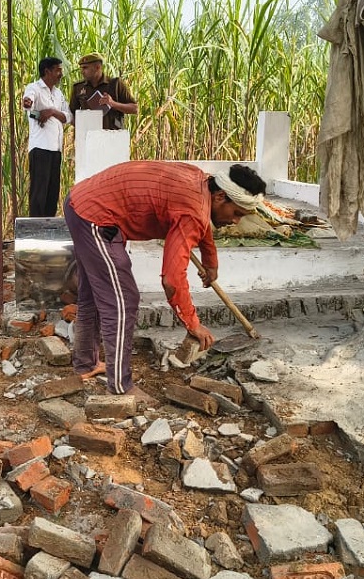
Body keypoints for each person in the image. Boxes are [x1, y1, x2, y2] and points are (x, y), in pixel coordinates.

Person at [64, 161, 265, 397]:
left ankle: (86, 364)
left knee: (94, 293)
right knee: (122, 301)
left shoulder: (202, 182)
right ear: (220, 197)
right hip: (95, 218)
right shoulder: (194, 211)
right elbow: (171, 279)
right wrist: (192, 323)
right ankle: (120, 387)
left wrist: (211, 261)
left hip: (80, 202)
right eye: (237, 213)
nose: (236, 221)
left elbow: (202, 226)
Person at [21, 57, 73, 217]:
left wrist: (51, 111)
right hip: (40, 148)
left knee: (52, 191)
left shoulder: (58, 94)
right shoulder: (34, 88)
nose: (61, 74)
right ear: (47, 71)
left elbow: (68, 117)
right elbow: (29, 109)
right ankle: (36, 227)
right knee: (39, 192)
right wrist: (32, 107)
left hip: (56, 149)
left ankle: (48, 224)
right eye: (58, 70)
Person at [68, 53, 138, 131]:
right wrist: (83, 125)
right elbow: (71, 114)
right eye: (81, 68)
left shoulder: (115, 84)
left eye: (85, 68)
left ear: (97, 67)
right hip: (89, 137)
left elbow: (135, 109)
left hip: (112, 136)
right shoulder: (78, 87)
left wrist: (113, 104)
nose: (82, 71)